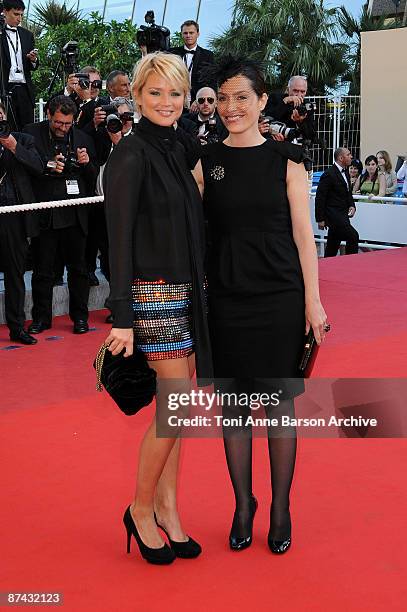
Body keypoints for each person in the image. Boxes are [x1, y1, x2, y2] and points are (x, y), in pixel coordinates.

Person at [191, 57, 327, 554]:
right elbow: (185, 225)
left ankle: (281, 506)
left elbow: (303, 236)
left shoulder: (287, 160)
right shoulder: (205, 162)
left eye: (241, 97)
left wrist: (313, 302)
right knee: (234, 410)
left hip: (279, 298)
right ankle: (243, 504)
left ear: (262, 101)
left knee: (279, 409)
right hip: (226, 299)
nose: (230, 107)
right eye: (222, 98)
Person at [103, 52, 212, 565]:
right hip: (152, 294)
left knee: (180, 408)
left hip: (188, 291)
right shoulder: (130, 153)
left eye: (175, 93)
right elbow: (117, 239)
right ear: (137, 97)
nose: (166, 102)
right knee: (177, 406)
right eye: (155, 93)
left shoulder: (178, 146)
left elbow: (222, 158)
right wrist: (122, 316)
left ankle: (168, 508)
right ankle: (140, 509)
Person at [23, 95, 98, 335]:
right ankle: (41, 318)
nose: (63, 128)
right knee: (43, 270)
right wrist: (48, 165)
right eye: (58, 123)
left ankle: (80, 318)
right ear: (48, 115)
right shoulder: (31, 133)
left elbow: (95, 178)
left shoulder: (84, 138)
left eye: (67, 124)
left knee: (79, 269)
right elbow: (26, 168)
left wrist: (86, 163)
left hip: (75, 214)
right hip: (45, 212)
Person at [0, 102, 43, 344]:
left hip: (14, 216)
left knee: (15, 274)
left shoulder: (23, 140)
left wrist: (15, 148)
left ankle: (17, 327)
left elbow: (38, 167)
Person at [1, 0, 39, 130]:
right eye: (16, 14)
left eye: (21, 15)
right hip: (5, 88)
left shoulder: (27, 35)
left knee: (28, 129)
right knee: (7, 130)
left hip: (24, 89)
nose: (19, 18)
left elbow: (33, 66)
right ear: (5, 12)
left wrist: (33, 60)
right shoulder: (0, 33)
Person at [315, 147, 359, 257]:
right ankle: (351, 264)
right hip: (334, 216)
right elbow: (320, 197)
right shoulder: (329, 174)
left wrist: (352, 206)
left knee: (332, 244)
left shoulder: (346, 172)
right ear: (340, 158)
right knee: (353, 236)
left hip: (343, 214)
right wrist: (320, 219)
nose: (351, 157)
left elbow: (348, 193)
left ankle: (327, 266)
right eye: (348, 155)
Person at [170, 20, 215, 106]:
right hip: (175, 101)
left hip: (197, 103)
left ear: (198, 34)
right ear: (182, 34)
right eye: (185, 33)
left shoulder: (207, 55)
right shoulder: (172, 53)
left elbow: (211, 81)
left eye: (191, 33)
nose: (188, 35)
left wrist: (199, 100)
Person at [263, 75, 316, 143]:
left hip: (295, 148)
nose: (299, 95)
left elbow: (310, 135)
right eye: (295, 91)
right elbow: (268, 118)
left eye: (302, 92)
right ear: (288, 90)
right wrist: (285, 102)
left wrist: (300, 122)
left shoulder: (307, 106)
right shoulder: (275, 98)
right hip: (273, 143)